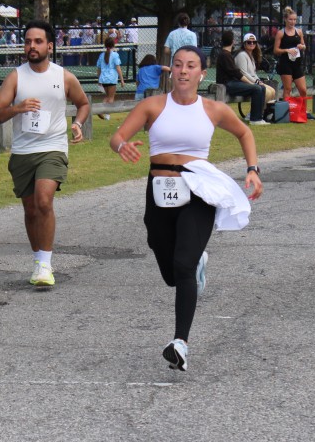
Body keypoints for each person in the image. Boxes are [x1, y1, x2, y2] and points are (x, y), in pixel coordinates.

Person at [109, 45, 263, 371]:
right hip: (159, 191)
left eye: (191, 66)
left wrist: (252, 169)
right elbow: (117, 136)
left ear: (202, 74)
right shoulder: (153, 106)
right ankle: (197, 262)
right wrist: (122, 145)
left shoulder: (213, 109)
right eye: (178, 64)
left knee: (182, 265)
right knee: (171, 273)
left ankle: (180, 343)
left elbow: (244, 132)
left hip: (197, 190)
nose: (182, 71)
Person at [0, 20, 90, 287]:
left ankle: (45, 265)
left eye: (38, 41)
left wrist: (78, 124)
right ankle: (38, 261)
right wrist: (17, 108)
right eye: (28, 42)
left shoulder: (63, 76)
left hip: (53, 147)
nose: (31, 46)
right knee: (31, 209)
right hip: (23, 151)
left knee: (44, 201)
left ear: (50, 46)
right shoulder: (16, 77)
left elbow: (83, 103)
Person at [217, 30, 268, 125]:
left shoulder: (227, 54)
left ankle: (258, 116)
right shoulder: (225, 55)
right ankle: (255, 119)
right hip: (228, 84)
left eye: (254, 42)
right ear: (232, 42)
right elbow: (237, 73)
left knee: (261, 87)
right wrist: (251, 83)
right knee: (257, 88)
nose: (252, 44)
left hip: (232, 82)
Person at [273, 7, 308, 101]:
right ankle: (286, 109)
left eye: (294, 20)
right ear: (285, 19)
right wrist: (287, 50)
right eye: (290, 19)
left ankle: (303, 109)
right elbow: (276, 50)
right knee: (288, 89)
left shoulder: (299, 31)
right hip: (285, 64)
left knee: (303, 90)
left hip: (297, 63)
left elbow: (304, 46)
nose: (293, 22)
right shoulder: (281, 33)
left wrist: (302, 46)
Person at [235, 33, 276, 104]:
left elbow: (253, 73)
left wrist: (259, 81)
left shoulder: (251, 56)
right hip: (244, 83)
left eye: (254, 42)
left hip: (253, 81)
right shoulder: (241, 55)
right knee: (267, 92)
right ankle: (260, 109)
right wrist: (256, 82)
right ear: (244, 44)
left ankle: (265, 109)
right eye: (249, 42)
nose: (252, 44)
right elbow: (244, 73)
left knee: (272, 91)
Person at [96, 36, 124, 120]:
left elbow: (98, 68)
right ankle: (106, 114)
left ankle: (102, 111)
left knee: (107, 96)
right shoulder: (115, 55)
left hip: (103, 78)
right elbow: (118, 67)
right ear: (113, 45)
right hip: (112, 78)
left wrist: (99, 79)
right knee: (111, 97)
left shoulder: (101, 55)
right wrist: (122, 80)